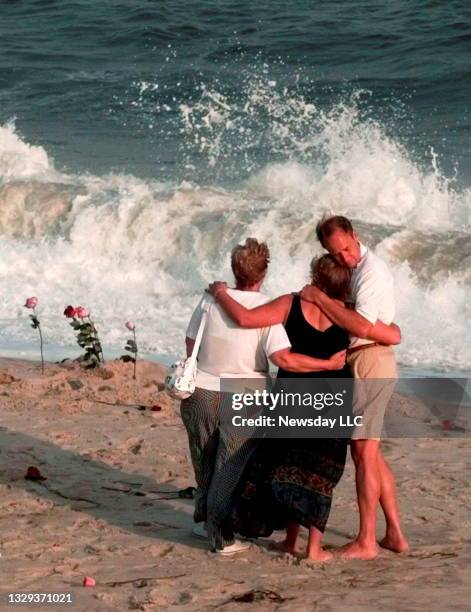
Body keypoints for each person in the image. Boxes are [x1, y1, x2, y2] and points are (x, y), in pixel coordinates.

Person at [208, 254, 401, 561]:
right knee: (319, 474)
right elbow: (393, 334)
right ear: (345, 285)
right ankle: (314, 549)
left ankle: (290, 542)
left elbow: (245, 318)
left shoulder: (290, 304)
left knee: (292, 464)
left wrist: (220, 294)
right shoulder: (349, 315)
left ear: (315, 276)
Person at [182, 238, 346, 556]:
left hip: (200, 390)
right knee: (229, 466)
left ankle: (204, 520)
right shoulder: (267, 309)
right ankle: (220, 536)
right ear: (263, 274)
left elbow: (191, 343)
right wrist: (327, 364)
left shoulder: (209, 300)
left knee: (204, 458)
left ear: (234, 269)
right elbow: (284, 359)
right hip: (245, 395)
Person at [300, 215, 409, 560]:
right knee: (370, 451)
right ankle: (393, 533)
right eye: (336, 253)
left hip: (371, 361)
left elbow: (360, 324)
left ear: (354, 235)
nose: (344, 257)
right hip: (367, 359)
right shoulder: (355, 271)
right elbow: (371, 323)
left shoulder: (371, 271)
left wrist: (319, 299)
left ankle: (366, 541)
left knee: (363, 451)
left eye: (346, 248)